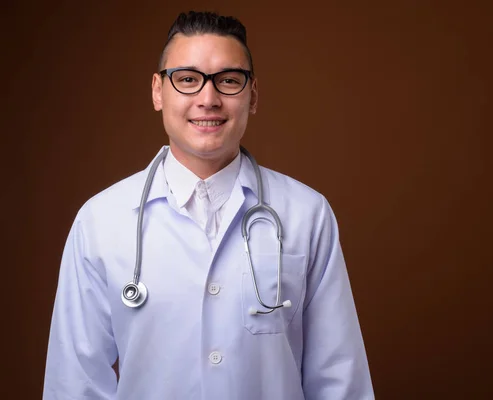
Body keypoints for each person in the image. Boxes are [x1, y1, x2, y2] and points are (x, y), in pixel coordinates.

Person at [43, 11, 374, 400]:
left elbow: (339, 378)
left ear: (253, 96)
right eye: (187, 79)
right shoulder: (100, 221)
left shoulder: (307, 214)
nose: (208, 99)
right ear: (157, 91)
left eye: (229, 81)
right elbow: (74, 383)